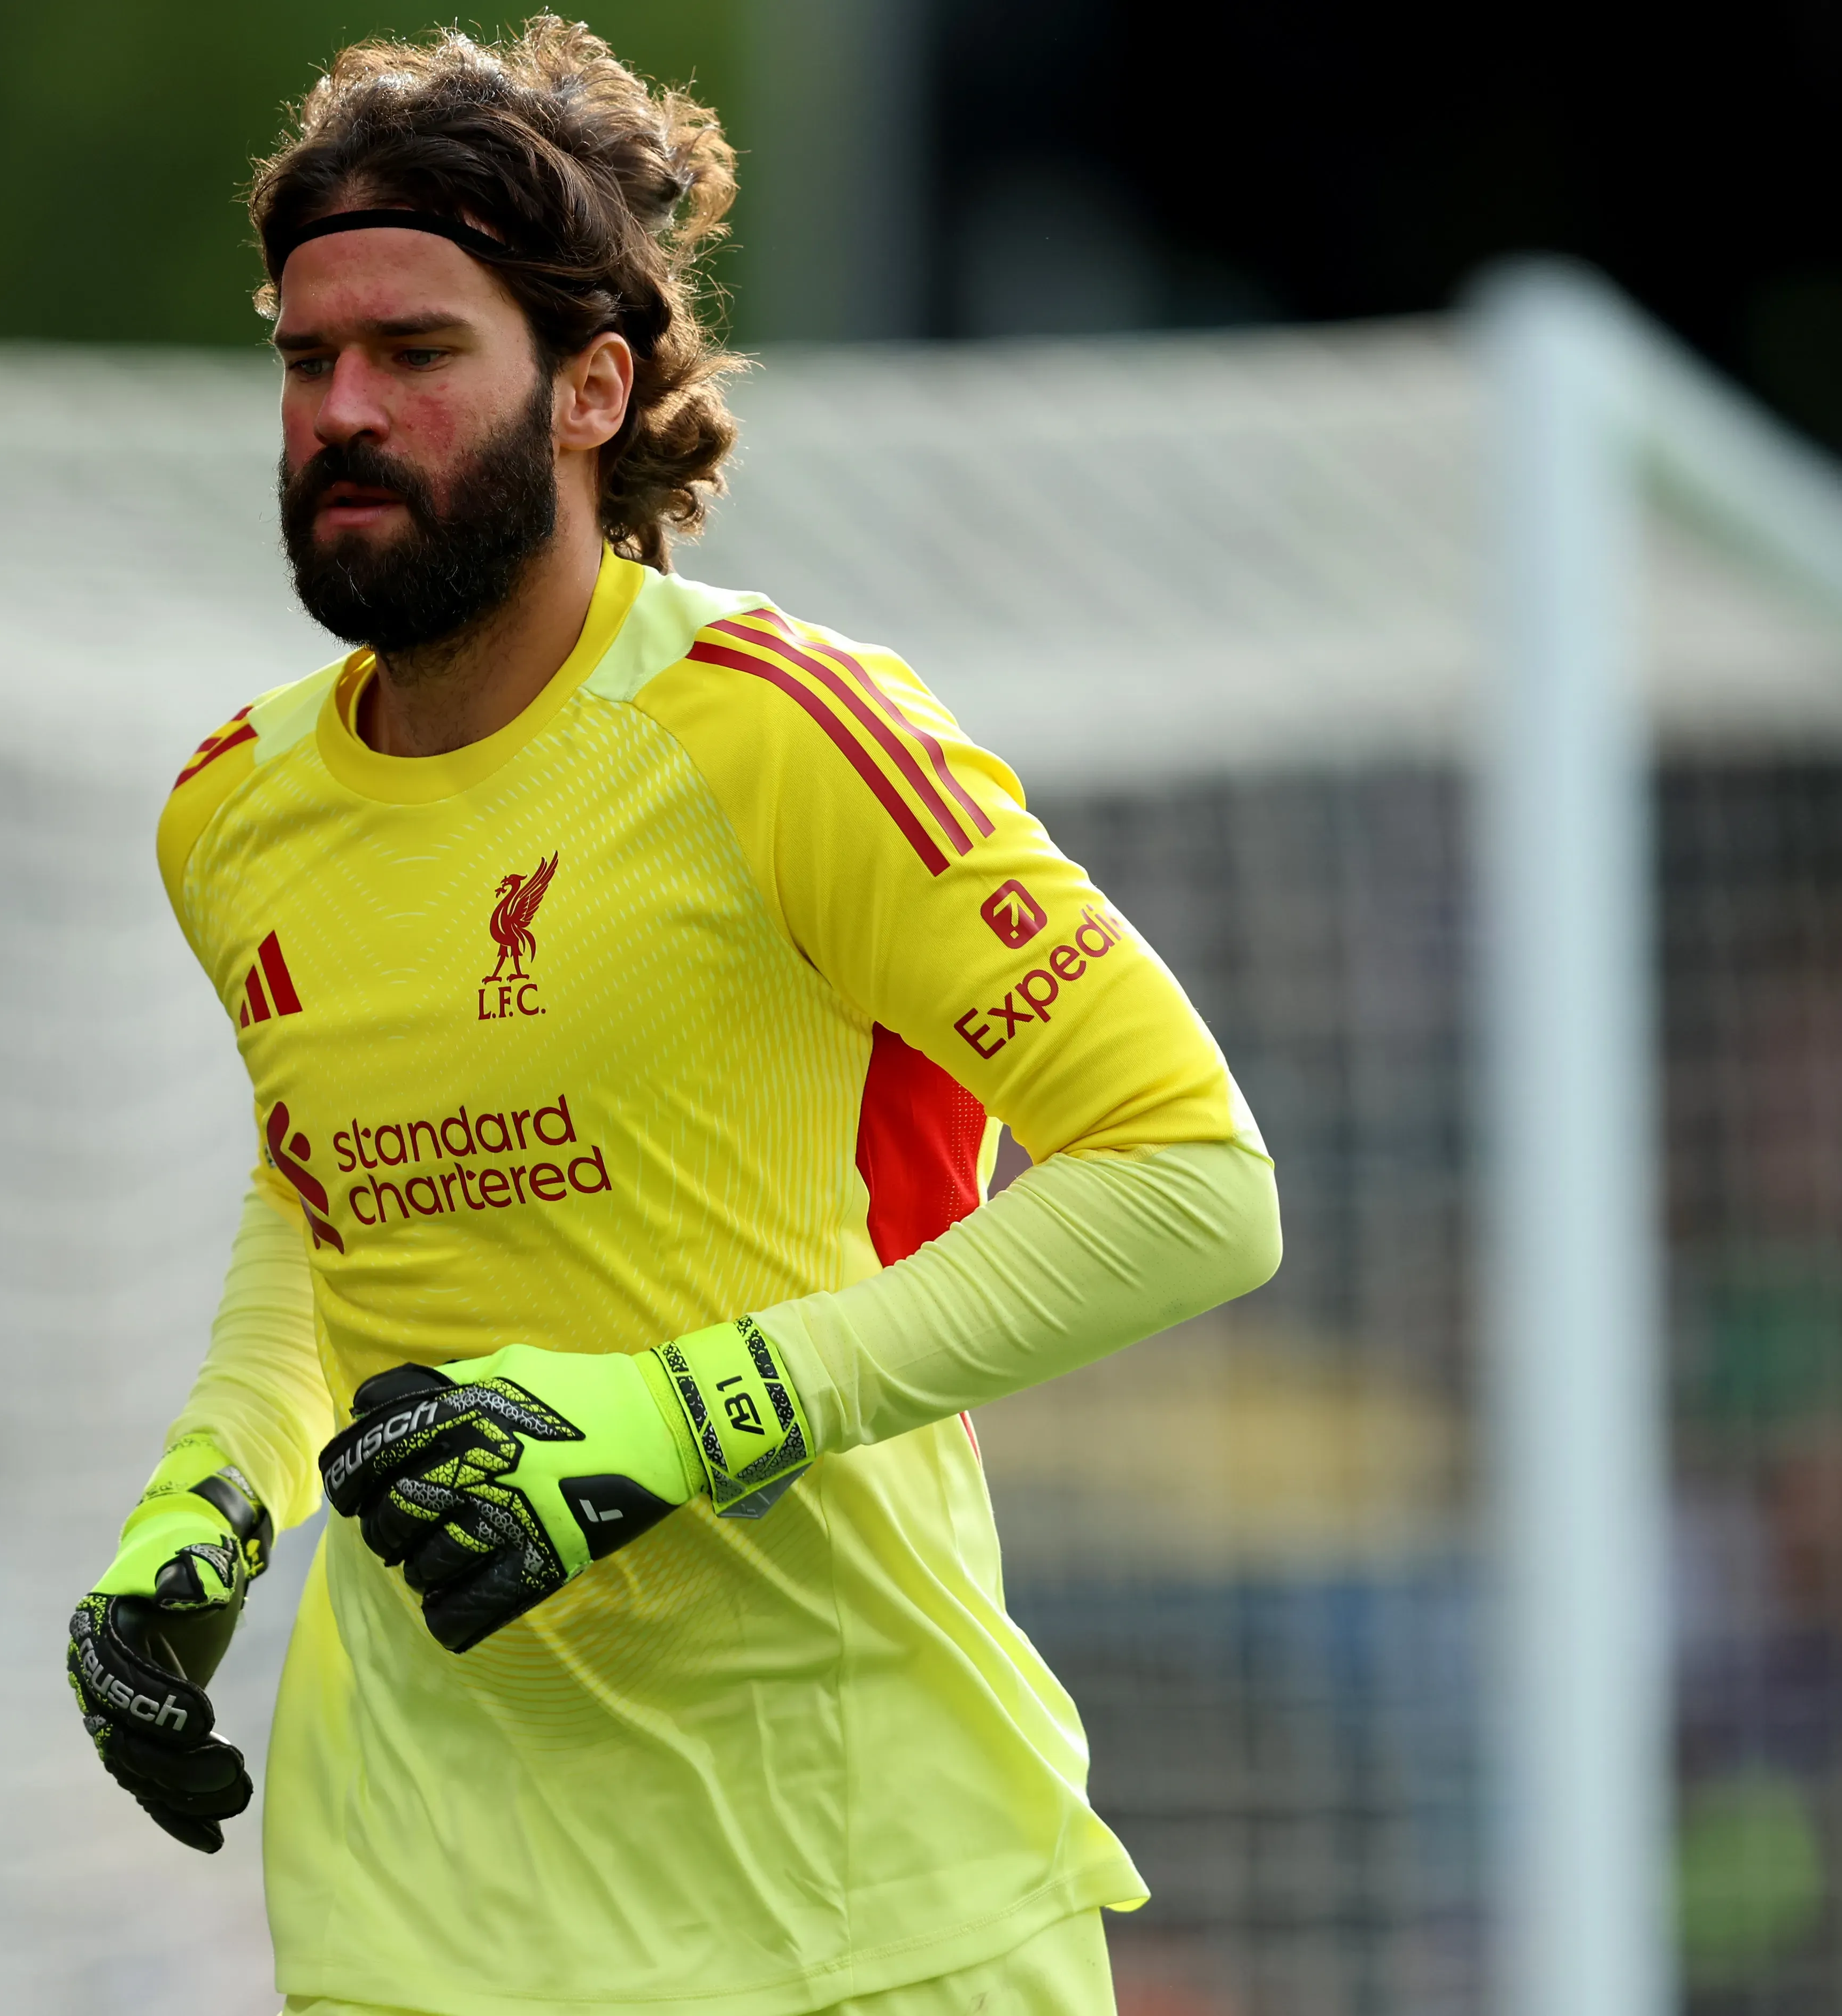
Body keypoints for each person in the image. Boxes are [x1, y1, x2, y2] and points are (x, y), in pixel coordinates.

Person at [66, 20, 1281, 2014]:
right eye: (306, 361)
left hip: (856, 1893)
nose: (341, 412)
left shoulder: (781, 734)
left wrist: (672, 1418)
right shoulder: (232, 813)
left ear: (592, 387)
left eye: (417, 355)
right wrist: (206, 1503)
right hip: (421, 1907)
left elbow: (1194, 1185)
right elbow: (335, 1207)